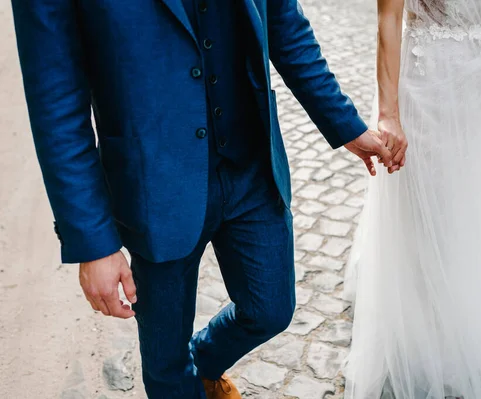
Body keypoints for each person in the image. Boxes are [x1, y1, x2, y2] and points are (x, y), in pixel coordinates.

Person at [10, 1, 407, 398]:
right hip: (153, 185)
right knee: (166, 368)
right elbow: (55, 99)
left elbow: (285, 24)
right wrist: (93, 243)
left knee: (270, 310)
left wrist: (346, 125)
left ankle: (197, 368)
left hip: (251, 164)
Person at [344, 0, 481, 397]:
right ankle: (418, 338)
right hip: (430, 82)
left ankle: (458, 325)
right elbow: (390, 15)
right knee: (427, 212)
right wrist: (389, 113)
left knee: (471, 212)